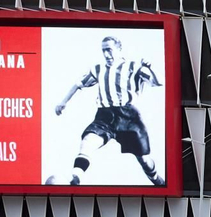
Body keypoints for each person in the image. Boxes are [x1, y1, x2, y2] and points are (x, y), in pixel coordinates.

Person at [52, 35, 165, 186]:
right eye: (103, 51)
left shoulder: (134, 67)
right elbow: (78, 84)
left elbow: (159, 82)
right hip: (105, 115)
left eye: (109, 50)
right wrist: (63, 102)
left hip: (129, 117)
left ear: (119, 49)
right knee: (87, 141)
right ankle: (76, 177)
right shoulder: (98, 69)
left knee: (143, 159)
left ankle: (156, 179)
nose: (106, 54)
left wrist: (150, 67)